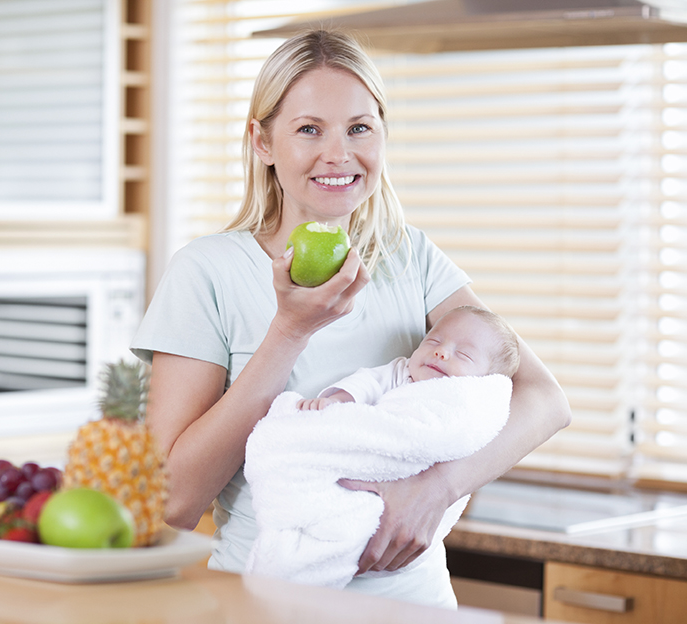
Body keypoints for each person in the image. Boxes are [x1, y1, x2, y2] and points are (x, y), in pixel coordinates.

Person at [130, 29, 570, 608]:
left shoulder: (408, 255)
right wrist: (289, 331)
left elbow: (544, 399)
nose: (339, 154)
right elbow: (171, 505)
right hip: (268, 601)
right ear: (262, 142)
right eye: (309, 129)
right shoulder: (206, 272)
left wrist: (435, 490)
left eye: (359, 128)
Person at [297, 305, 520, 411]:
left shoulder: (474, 405)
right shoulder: (402, 373)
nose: (441, 352)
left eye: (463, 354)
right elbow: (368, 382)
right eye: (433, 341)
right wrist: (337, 401)